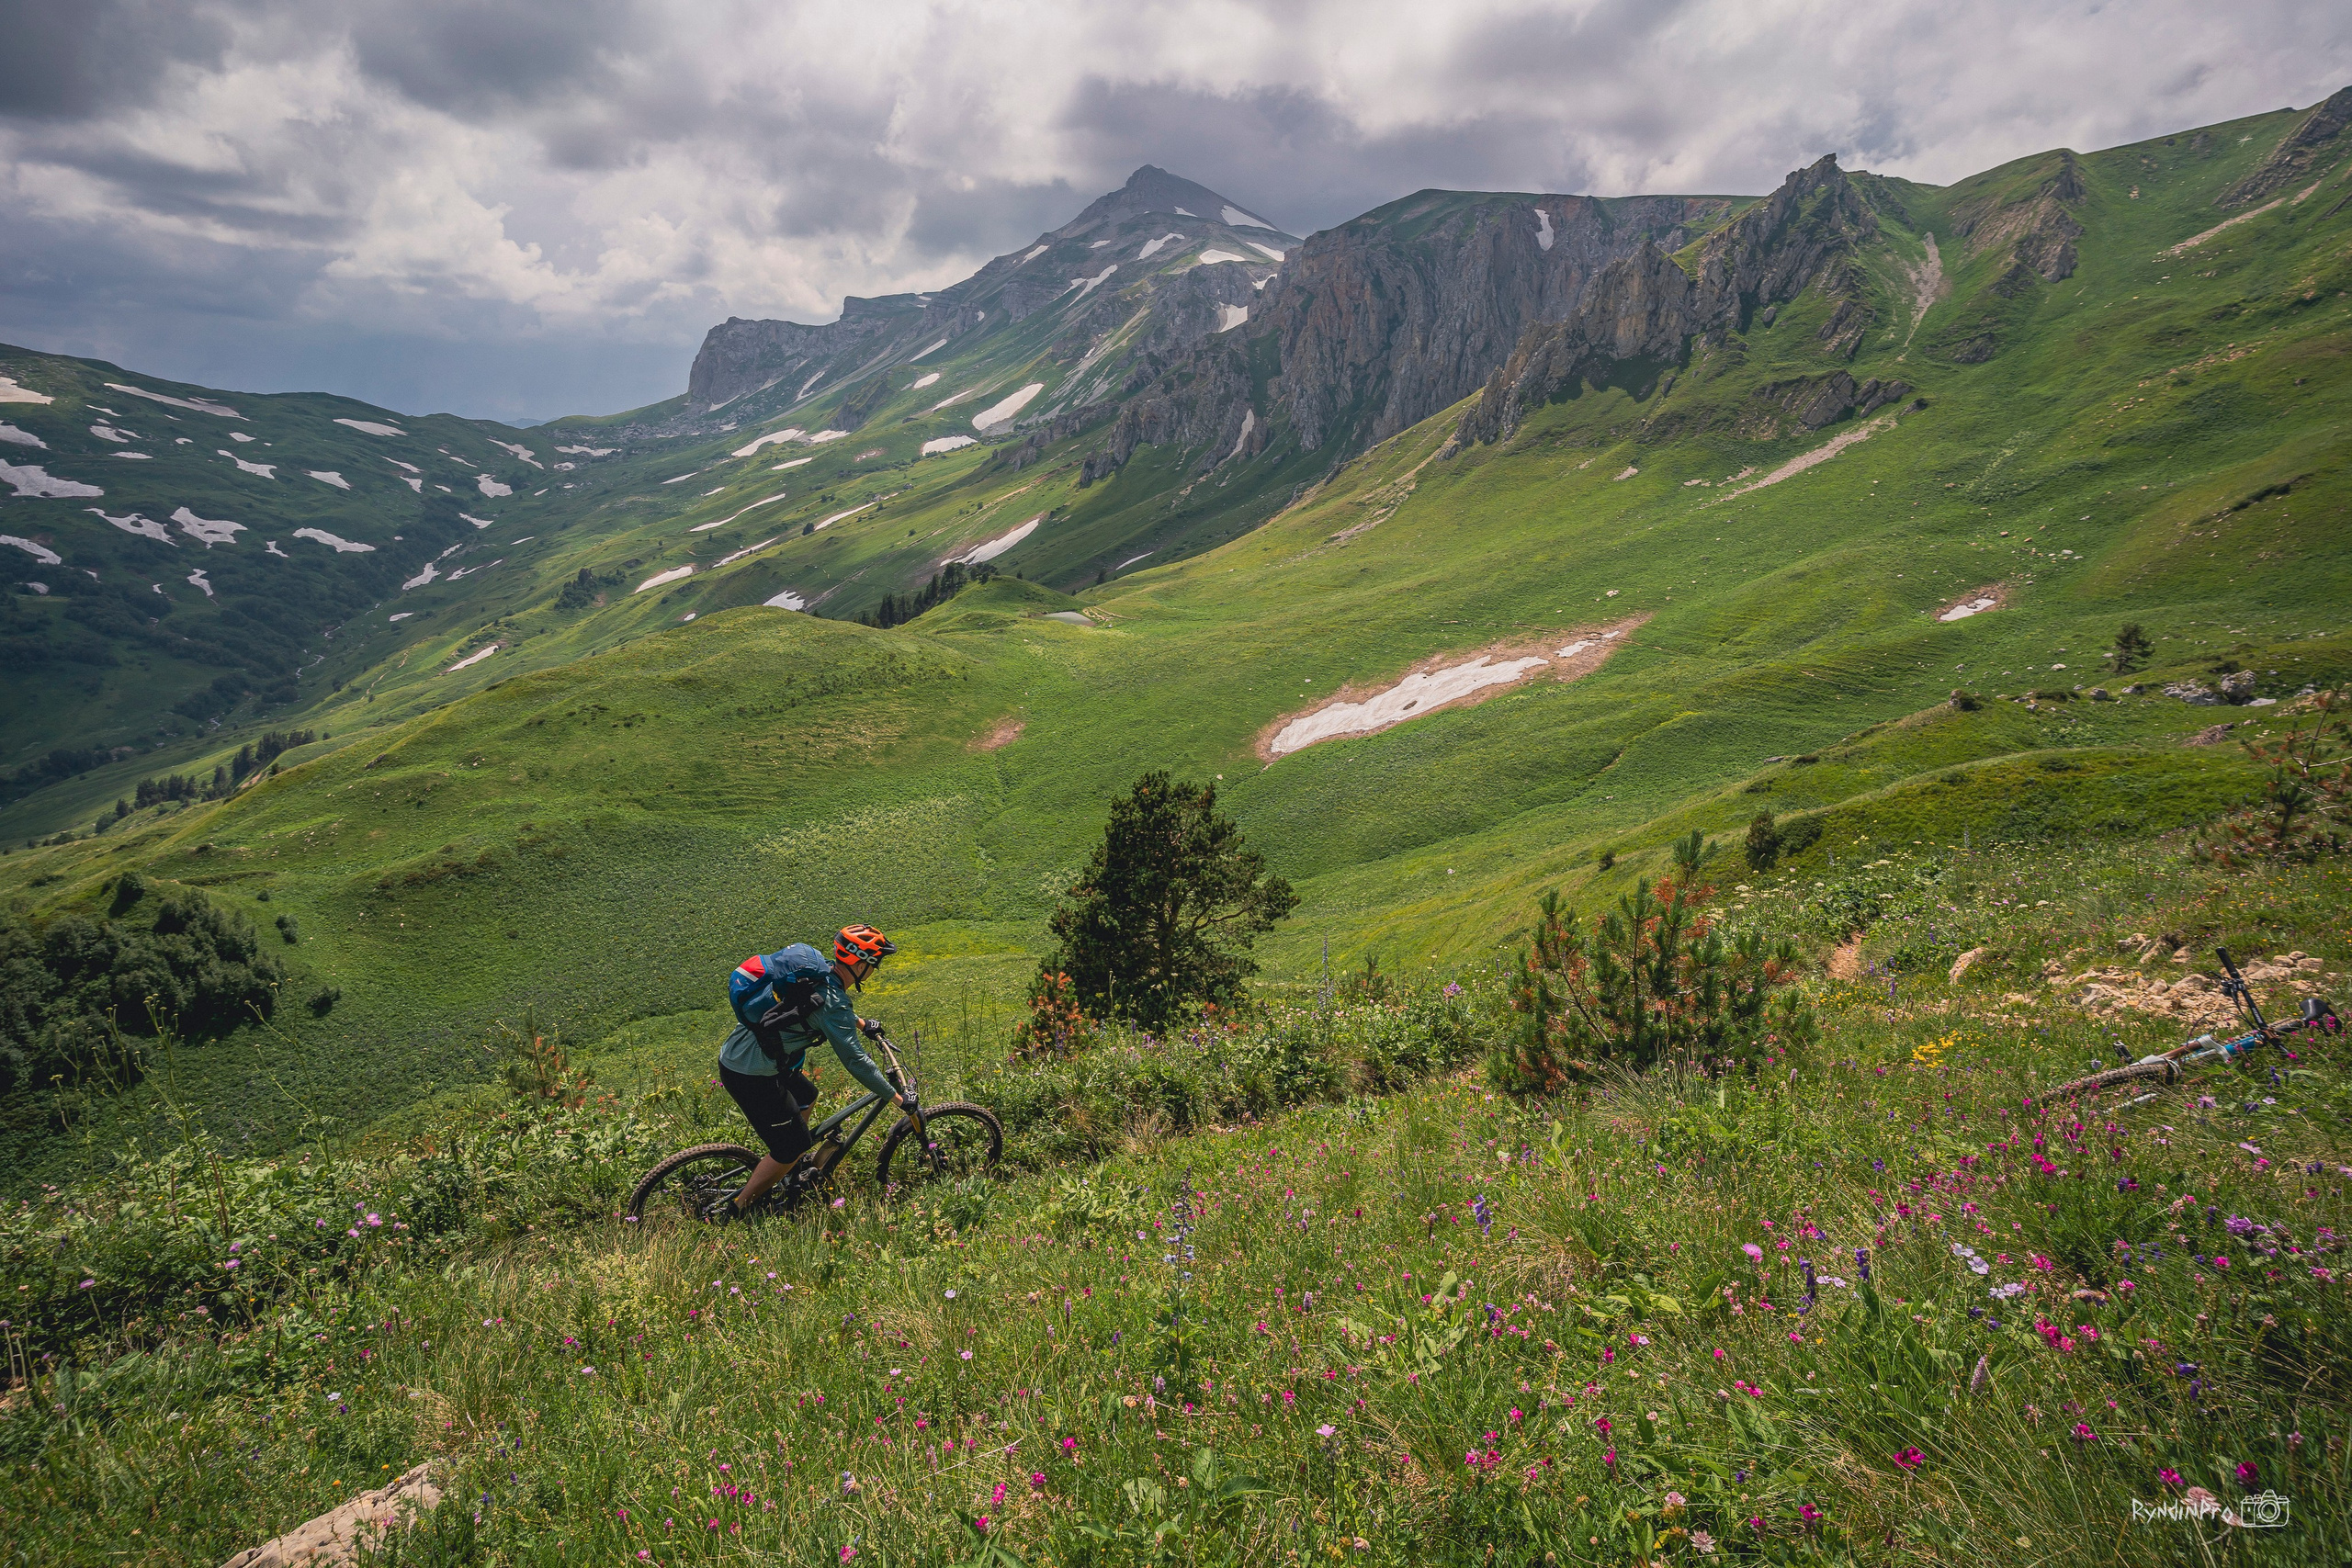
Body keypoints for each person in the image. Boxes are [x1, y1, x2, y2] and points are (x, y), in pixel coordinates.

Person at [712, 924, 908, 1218]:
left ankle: (792, 1162)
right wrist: (900, 1100)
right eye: (872, 963)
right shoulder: (835, 1002)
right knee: (789, 1148)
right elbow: (855, 1061)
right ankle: (737, 1209)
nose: (873, 970)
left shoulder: (821, 971)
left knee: (807, 1096)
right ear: (857, 963)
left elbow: (819, 1002)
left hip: (742, 1053)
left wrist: (863, 1024)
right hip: (750, 1073)